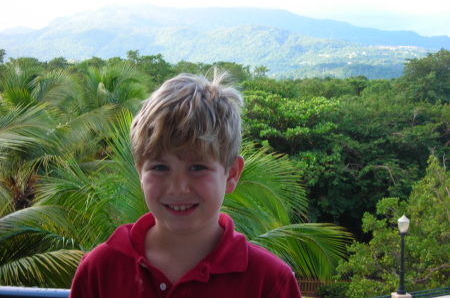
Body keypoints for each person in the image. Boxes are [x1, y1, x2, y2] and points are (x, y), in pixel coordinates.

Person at [69, 73, 302, 298]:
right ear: (140, 172)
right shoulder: (101, 270)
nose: (178, 187)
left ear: (231, 174)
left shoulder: (268, 281)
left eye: (197, 168)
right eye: (160, 168)